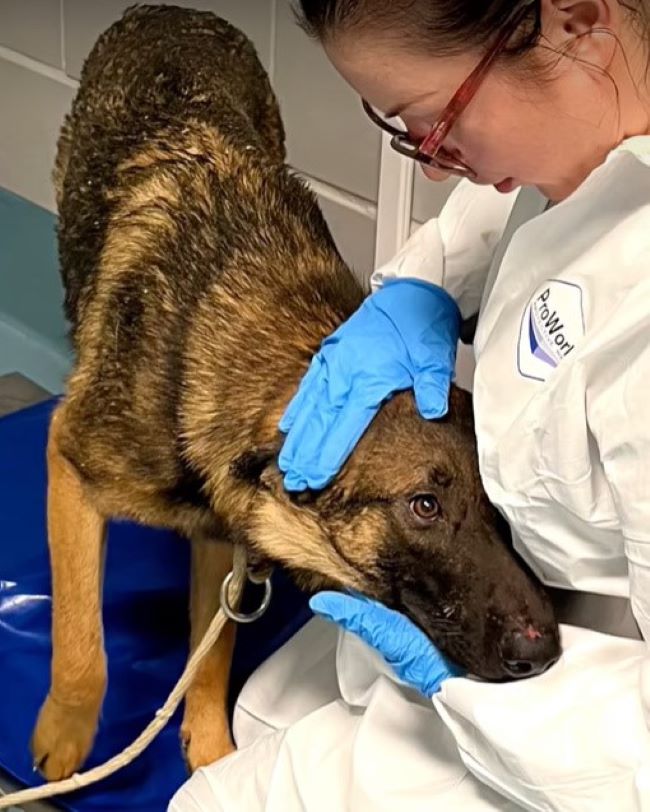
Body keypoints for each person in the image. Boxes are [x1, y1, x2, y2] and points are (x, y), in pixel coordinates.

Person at [170, 1, 650, 809]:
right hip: (489, 603)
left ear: (576, 22)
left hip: (576, 715)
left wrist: (466, 698)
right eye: (402, 130)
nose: (431, 167)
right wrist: (426, 283)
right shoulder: (593, 114)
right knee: (256, 722)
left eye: (431, 123)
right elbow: (503, 210)